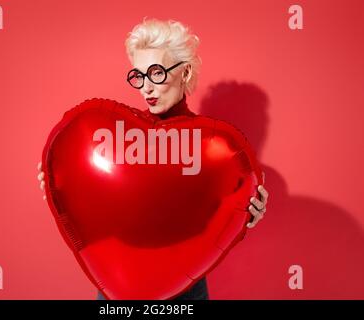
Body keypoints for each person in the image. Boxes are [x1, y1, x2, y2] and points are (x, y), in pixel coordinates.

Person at [37, 18, 269, 300]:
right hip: (118, 285)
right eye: (139, 76)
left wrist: (246, 212)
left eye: (157, 73)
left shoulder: (214, 150)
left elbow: (215, 217)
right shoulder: (114, 138)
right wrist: (62, 181)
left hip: (186, 288)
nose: (146, 87)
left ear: (184, 73)